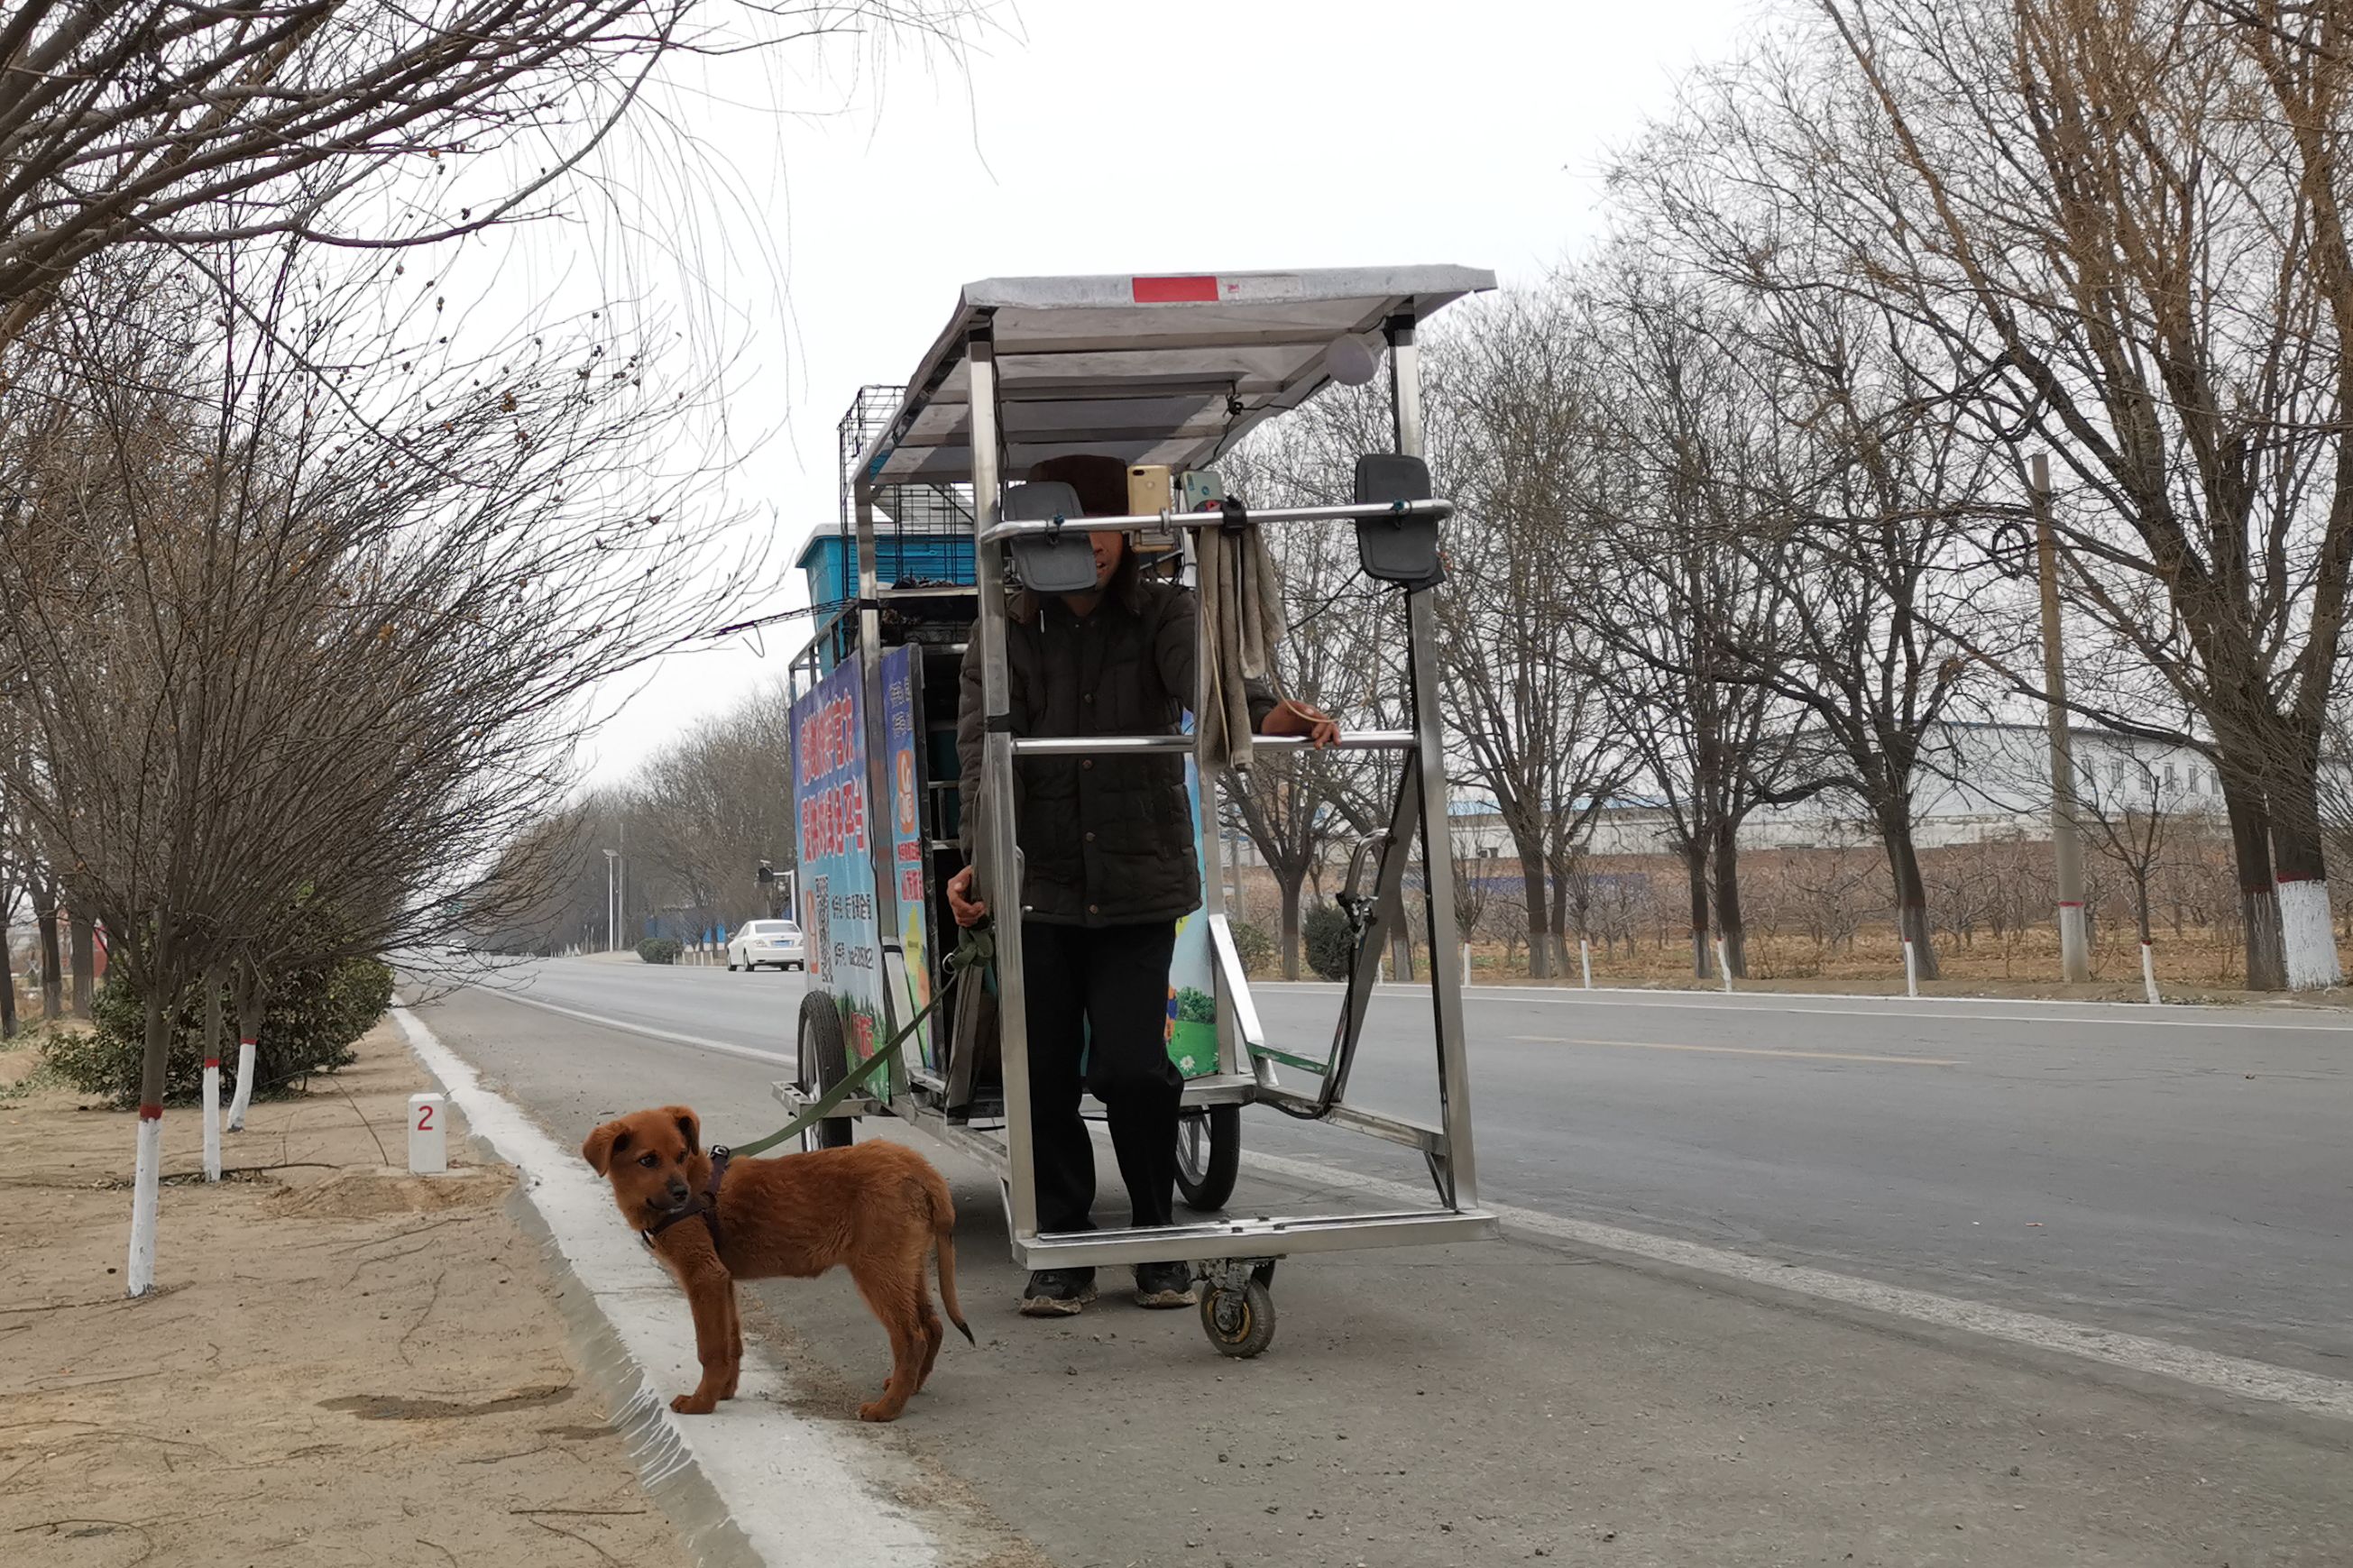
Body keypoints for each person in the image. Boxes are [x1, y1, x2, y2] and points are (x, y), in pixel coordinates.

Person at [951, 454, 1337, 1316]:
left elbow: (1217, 689)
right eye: (1067, 529)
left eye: (1103, 528)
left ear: (1128, 533)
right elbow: (979, 757)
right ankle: (1064, 1250)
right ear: (1032, 538)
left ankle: (1157, 1239)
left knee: (1135, 1068)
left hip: (1138, 878)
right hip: (1036, 881)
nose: (1088, 546)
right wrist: (977, 859)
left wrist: (1285, 716)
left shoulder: (1166, 610)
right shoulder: (1000, 631)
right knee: (1043, 1070)